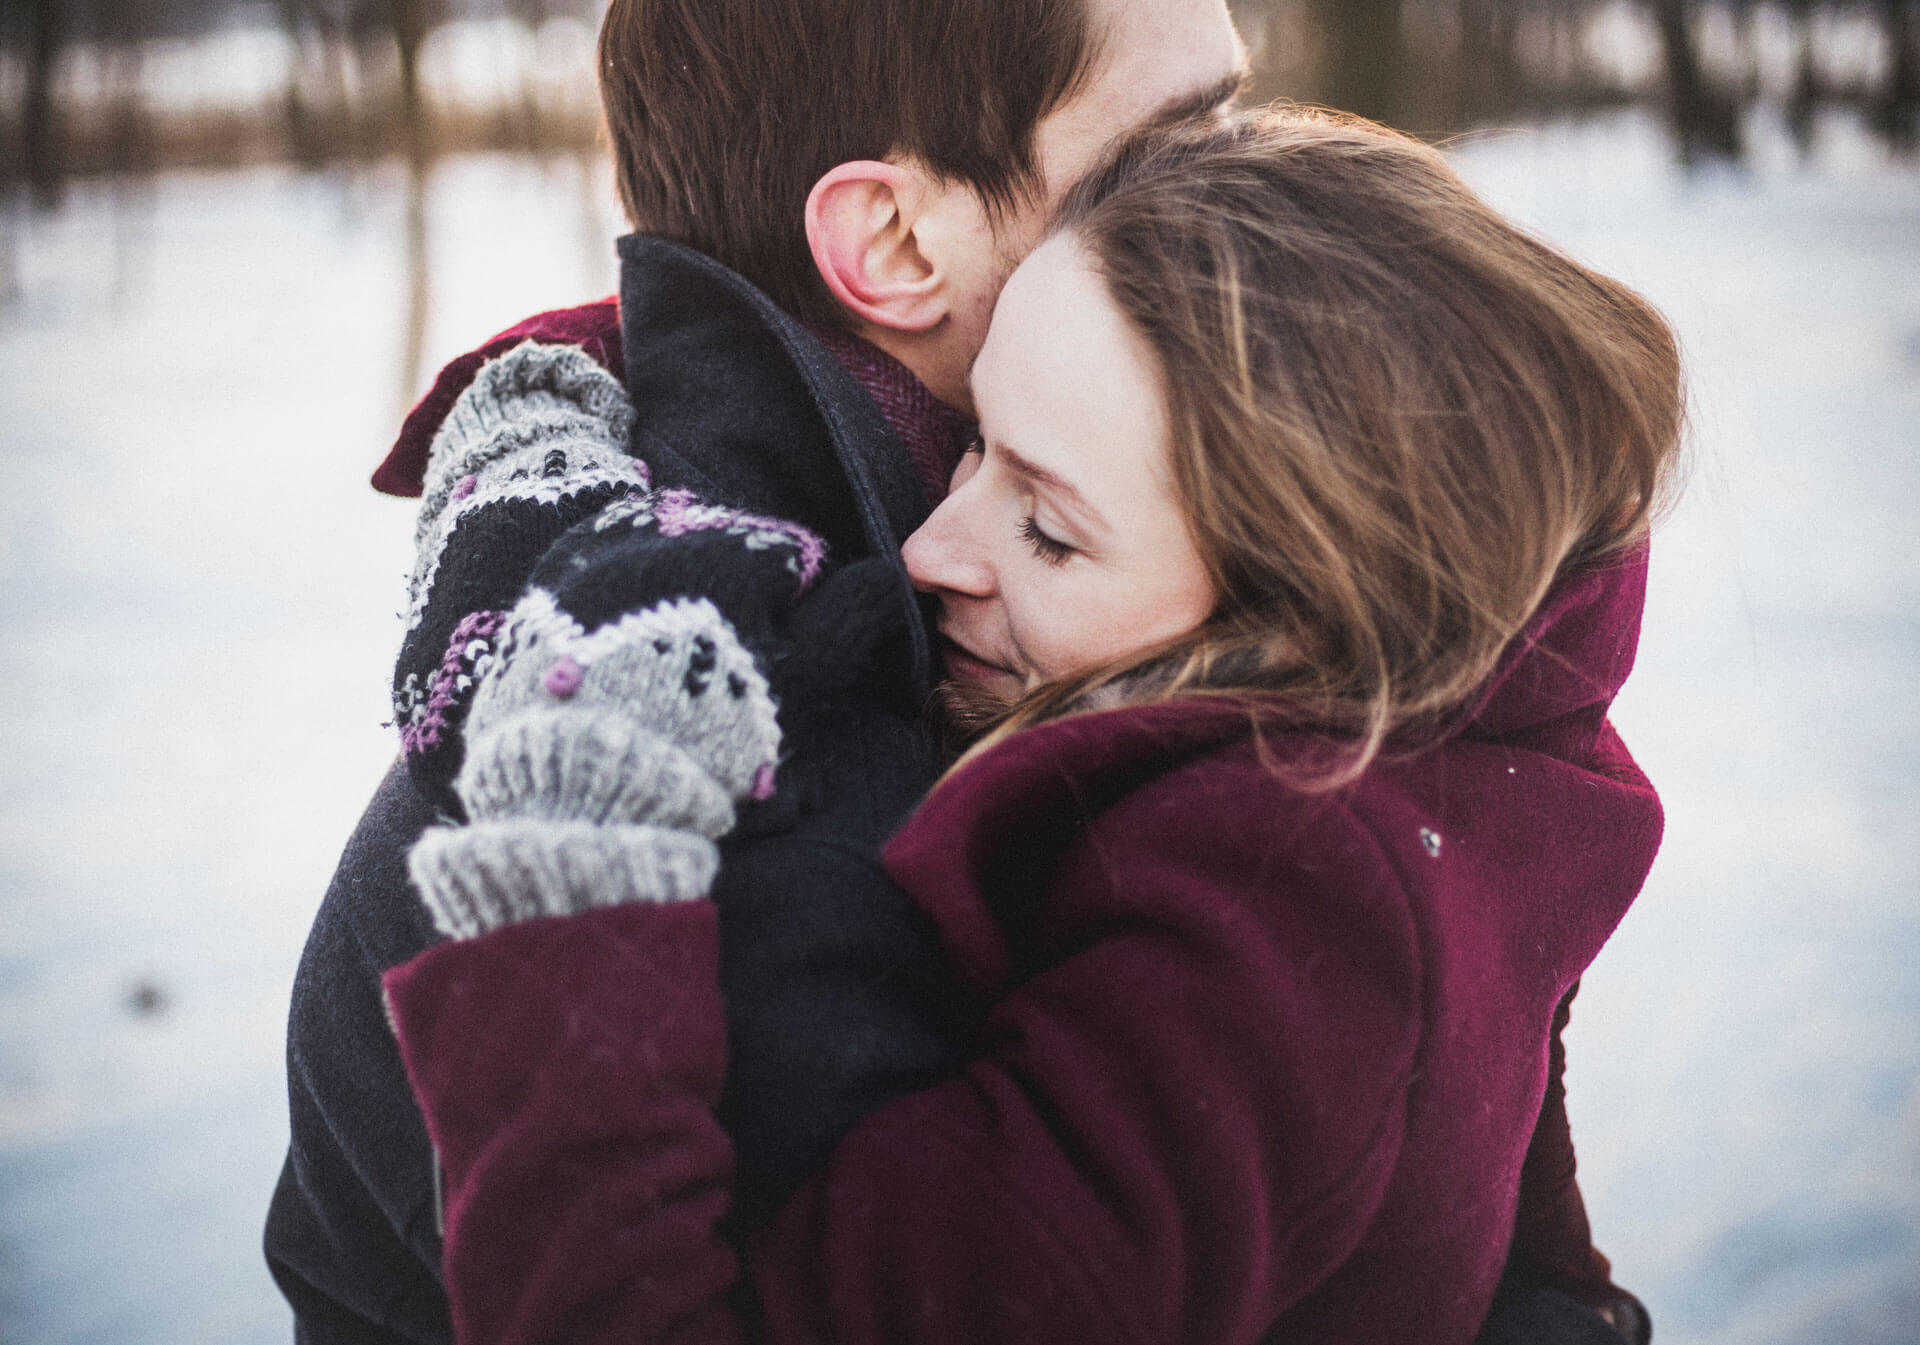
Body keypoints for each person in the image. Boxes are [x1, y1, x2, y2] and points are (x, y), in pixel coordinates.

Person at [377, 107, 1684, 1344]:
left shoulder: (1269, 948)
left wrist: (572, 889)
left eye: (1050, 530)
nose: (932, 549)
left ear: (1302, 618)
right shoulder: (1467, 758)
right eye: (974, 440)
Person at [265, 2, 1253, 1339]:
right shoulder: (769, 793)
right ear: (894, 242)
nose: (1261, 183)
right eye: (1178, 143)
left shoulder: (969, 583)